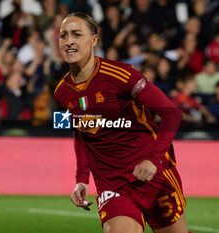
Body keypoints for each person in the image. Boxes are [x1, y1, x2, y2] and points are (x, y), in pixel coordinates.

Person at [54, 12, 188, 233]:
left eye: (77, 34)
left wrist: (153, 161)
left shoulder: (121, 74)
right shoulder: (61, 92)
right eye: (63, 35)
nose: (69, 41)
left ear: (94, 39)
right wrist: (81, 179)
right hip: (112, 183)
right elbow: (81, 133)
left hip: (152, 174)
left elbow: (172, 113)